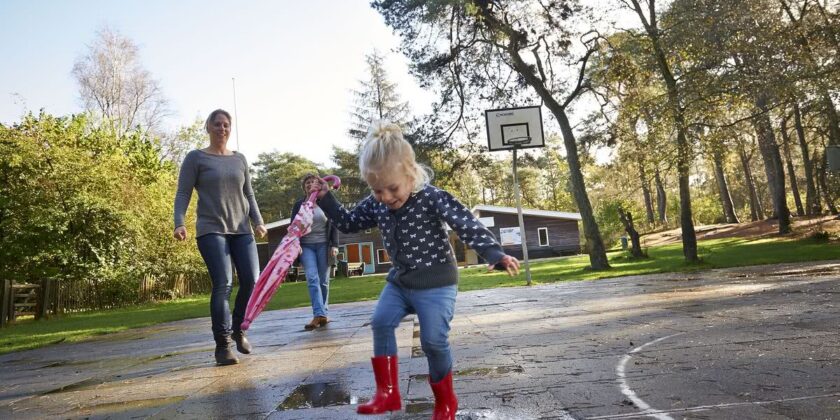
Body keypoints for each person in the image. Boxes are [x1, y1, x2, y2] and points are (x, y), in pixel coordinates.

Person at [315, 121, 520, 419]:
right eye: (377, 190)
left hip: (437, 282)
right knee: (382, 321)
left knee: (433, 341)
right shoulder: (378, 203)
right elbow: (347, 222)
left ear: (411, 173)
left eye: (392, 188)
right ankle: (387, 394)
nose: (385, 196)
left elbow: (466, 224)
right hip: (401, 282)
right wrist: (326, 199)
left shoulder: (432, 197)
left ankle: (446, 401)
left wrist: (494, 253)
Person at [173, 109, 267, 366]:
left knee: (252, 280)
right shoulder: (196, 158)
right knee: (224, 283)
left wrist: (258, 221)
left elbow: (249, 194)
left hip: (242, 229)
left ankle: (239, 328)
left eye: (226, 125)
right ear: (208, 127)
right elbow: (183, 194)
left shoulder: (239, 159)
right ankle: (223, 345)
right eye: (217, 124)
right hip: (211, 229)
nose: (222, 128)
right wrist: (179, 223)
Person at [291, 173, 339, 331]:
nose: (310, 184)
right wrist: (295, 244)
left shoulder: (324, 203)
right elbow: (293, 227)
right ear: (304, 188)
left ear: (319, 185)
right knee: (312, 278)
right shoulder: (299, 204)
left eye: (313, 182)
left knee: (323, 281)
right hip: (306, 246)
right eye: (307, 183)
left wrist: (334, 245)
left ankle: (323, 313)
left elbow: (334, 223)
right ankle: (318, 314)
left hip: (323, 245)